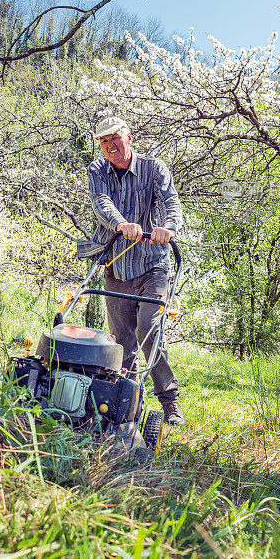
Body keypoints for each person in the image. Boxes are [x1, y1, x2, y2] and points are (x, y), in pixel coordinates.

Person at [87, 115, 185, 426]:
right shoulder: (97, 170)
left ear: (129, 137)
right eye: (104, 141)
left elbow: (171, 202)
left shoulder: (153, 168)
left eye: (115, 138)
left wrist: (167, 228)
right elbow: (101, 202)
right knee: (122, 340)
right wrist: (120, 224)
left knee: (148, 330)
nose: (110, 145)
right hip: (116, 265)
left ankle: (169, 400)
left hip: (153, 264)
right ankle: (125, 402)